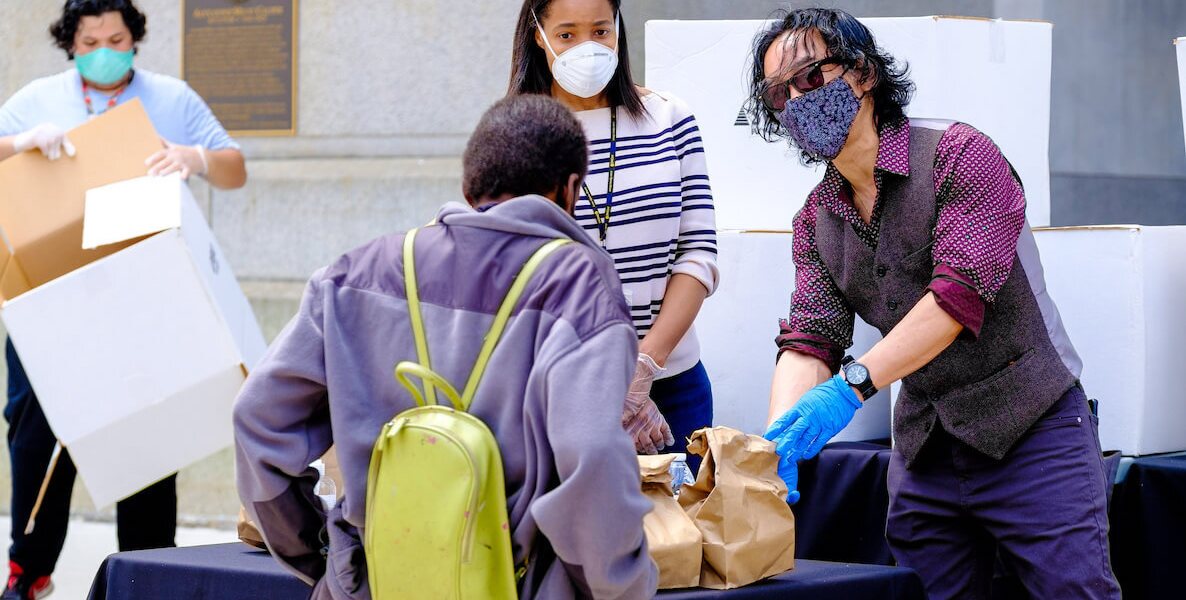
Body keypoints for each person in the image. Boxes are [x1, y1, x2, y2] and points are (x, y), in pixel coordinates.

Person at [749, 8, 1121, 600]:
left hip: (1032, 427)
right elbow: (810, 339)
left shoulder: (960, 155)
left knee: (1073, 591)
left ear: (864, 74)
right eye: (780, 91)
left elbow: (955, 298)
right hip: (926, 446)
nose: (798, 99)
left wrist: (848, 390)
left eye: (812, 76)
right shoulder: (814, 221)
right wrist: (773, 442)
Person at [233, 95, 658, 600]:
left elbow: (257, 423)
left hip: (374, 584)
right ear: (569, 190)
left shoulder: (354, 275)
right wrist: (623, 586)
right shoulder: (577, 285)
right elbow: (589, 456)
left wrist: (326, 552)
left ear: (467, 187)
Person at [0, 1, 246, 598]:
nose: (104, 50)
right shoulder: (38, 97)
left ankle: (146, 570)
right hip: (54, 298)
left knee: (147, 427)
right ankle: (29, 569)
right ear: (70, 43)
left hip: (146, 294)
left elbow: (235, 167)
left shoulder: (173, 97)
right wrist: (22, 143)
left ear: (134, 39)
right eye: (89, 41)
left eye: (116, 38)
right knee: (37, 435)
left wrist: (193, 158)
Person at [508, 0, 720, 471]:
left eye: (601, 30)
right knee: (580, 541)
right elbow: (516, 282)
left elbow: (697, 255)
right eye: (567, 34)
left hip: (673, 386)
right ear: (538, 34)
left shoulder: (669, 119)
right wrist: (608, 383)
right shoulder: (516, 138)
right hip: (561, 391)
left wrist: (644, 366)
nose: (587, 46)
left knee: (681, 539)